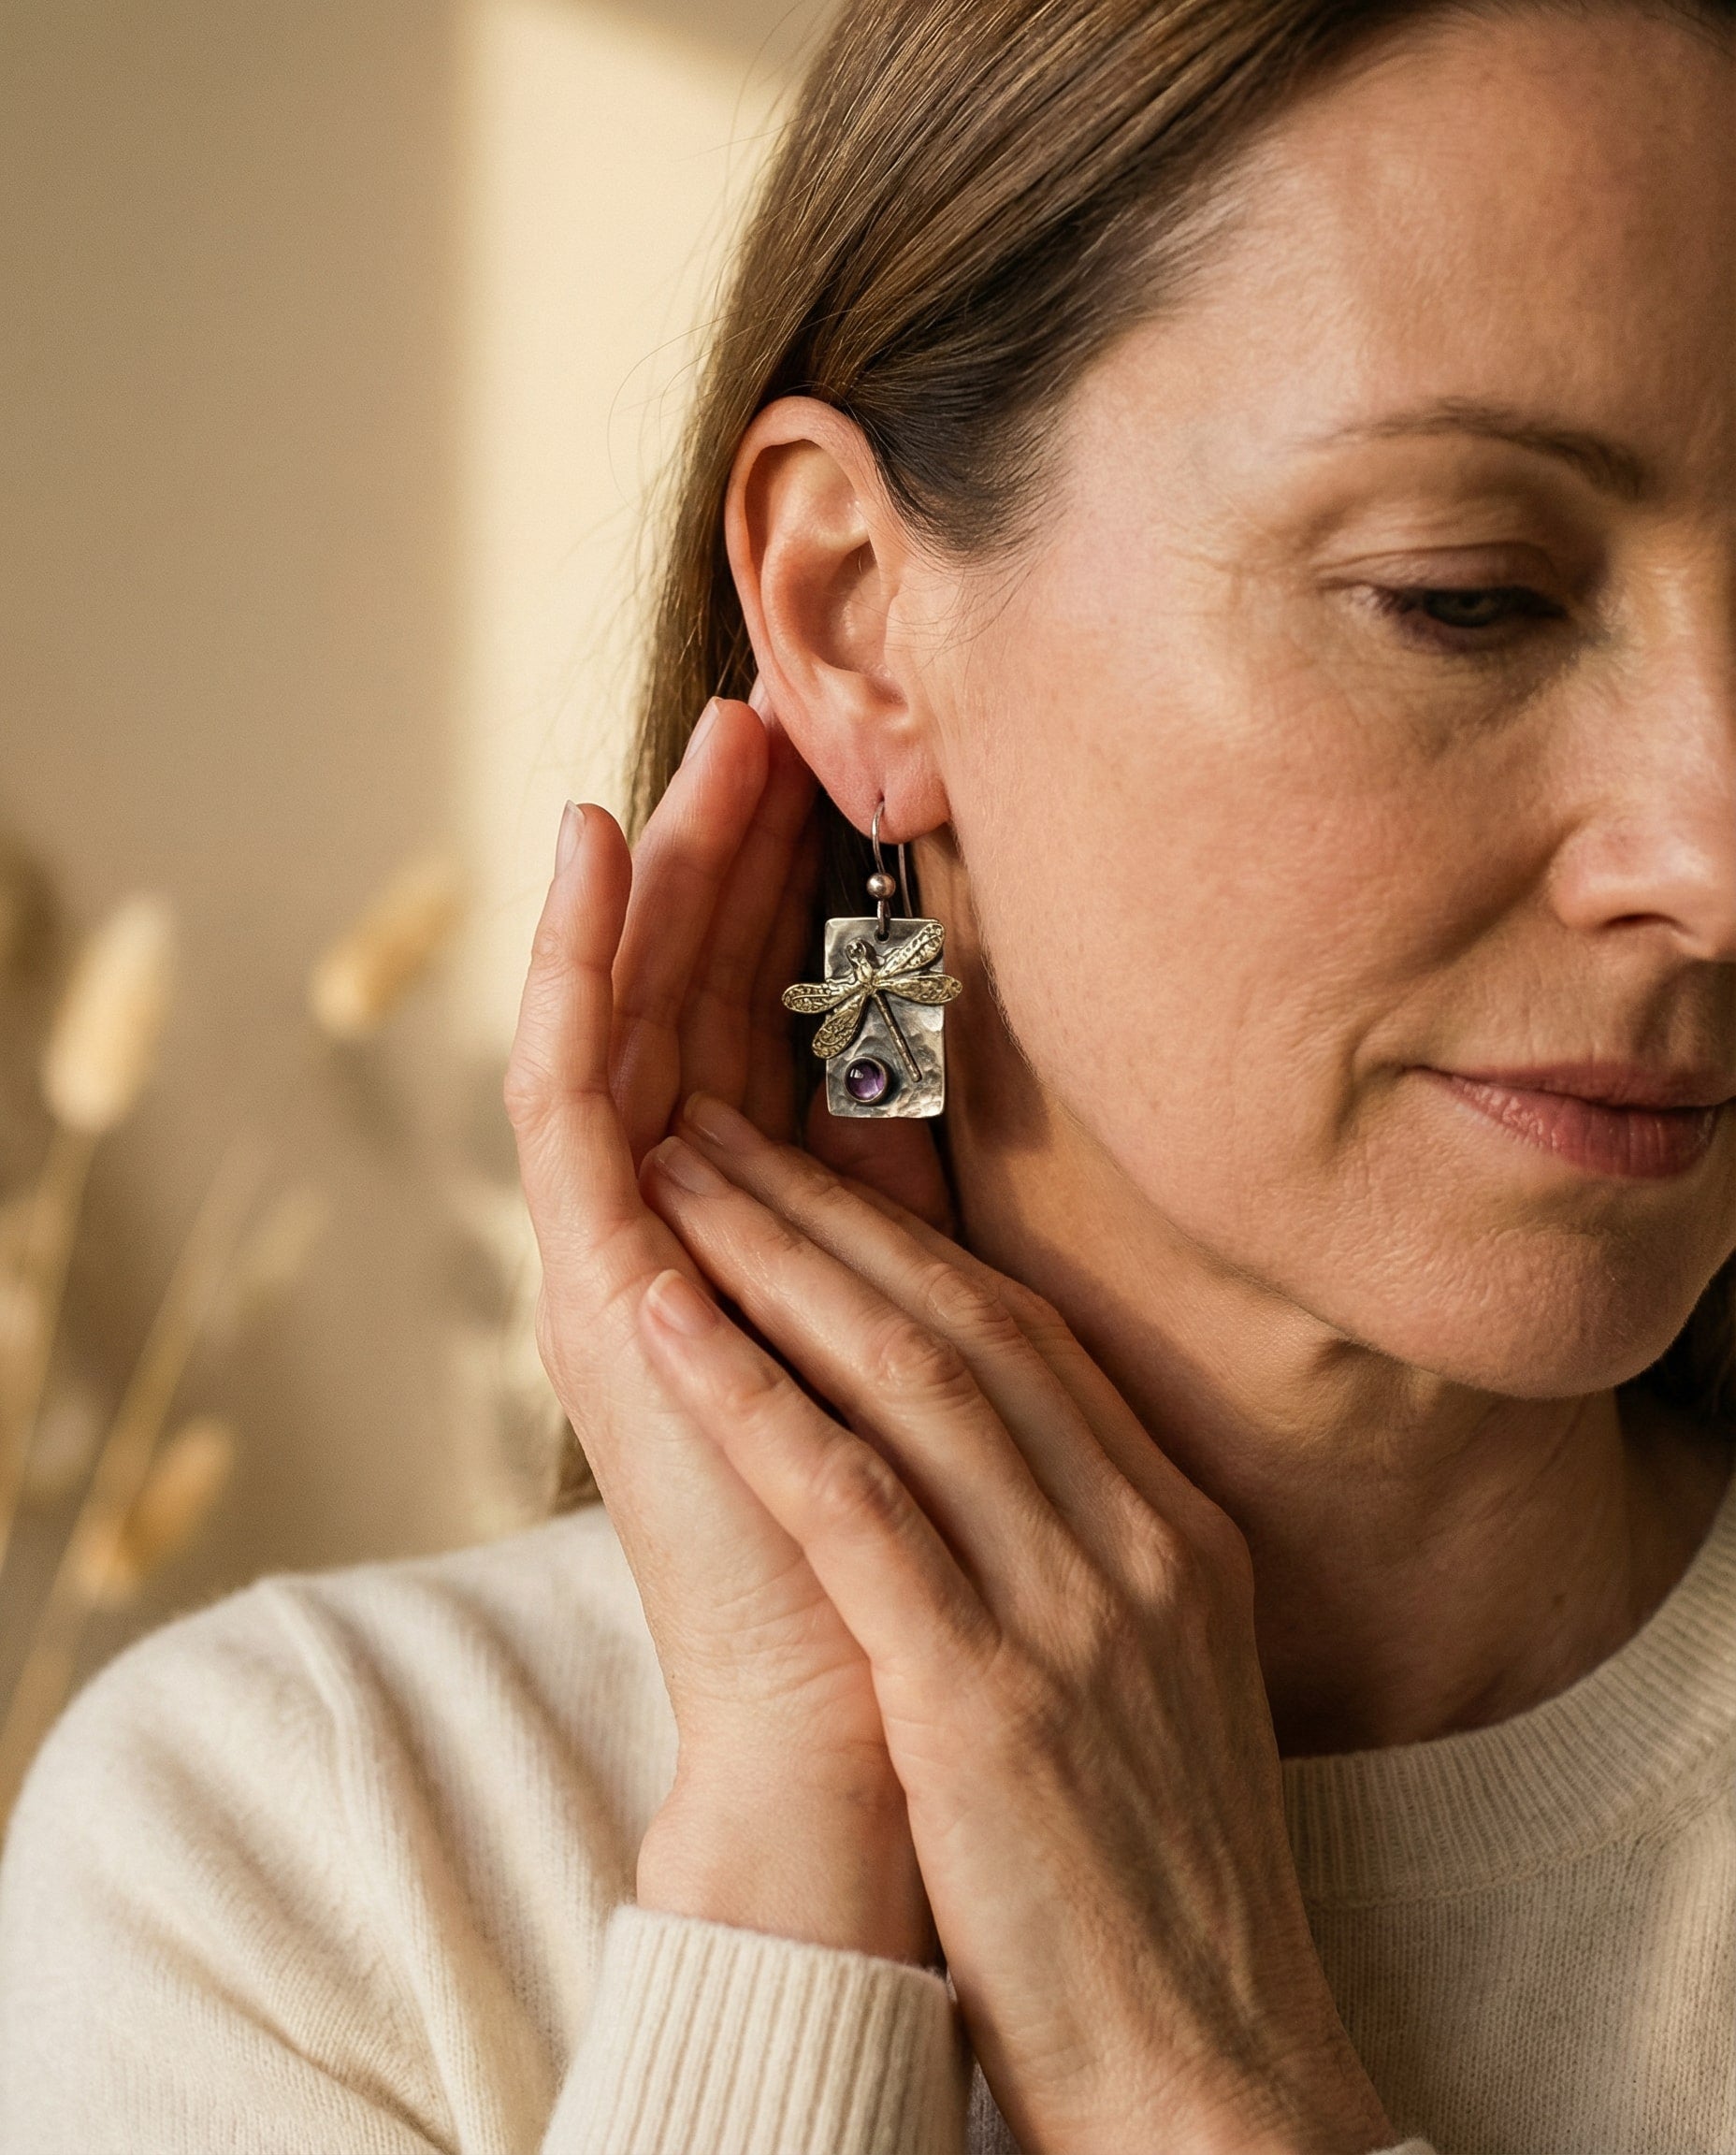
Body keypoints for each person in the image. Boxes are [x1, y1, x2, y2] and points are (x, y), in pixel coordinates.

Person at [4, 0, 1734, 2147]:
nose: (1711, 859)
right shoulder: (307, 1855)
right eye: (1462, 596)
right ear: (849, 621)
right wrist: (788, 1894)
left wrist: (1200, 2078)